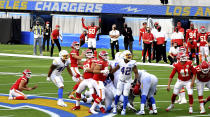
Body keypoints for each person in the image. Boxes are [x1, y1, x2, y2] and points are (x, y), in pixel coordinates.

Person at [111, 50, 139, 115]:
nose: (129, 56)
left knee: (126, 95)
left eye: (130, 55)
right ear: (124, 56)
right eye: (127, 55)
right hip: (120, 81)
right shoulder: (120, 62)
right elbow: (115, 69)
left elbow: (136, 73)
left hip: (128, 81)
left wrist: (135, 80)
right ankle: (115, 107)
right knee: (118, 94)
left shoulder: (133, 63)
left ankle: (124, 109)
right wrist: (110, 73)